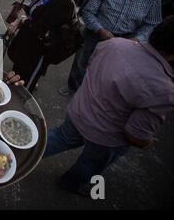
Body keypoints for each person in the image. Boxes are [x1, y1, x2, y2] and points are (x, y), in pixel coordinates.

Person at [44, 16, 174, 196]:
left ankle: (24, 155)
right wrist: (146, 142)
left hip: (79, 112)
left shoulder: (115, 45)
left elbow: (92, 69)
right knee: (90, 163)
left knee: (59, 138)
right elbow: (134, 134)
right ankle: (71, 184)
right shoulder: (163, 89)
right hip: (104, 138)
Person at [60, 0, 163, 95]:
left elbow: (151, 24)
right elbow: (88, 12)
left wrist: (136, 39)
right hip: (95, 34)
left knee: (112, 70)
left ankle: (96, 94)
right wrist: (100, 30)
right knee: (82, 62)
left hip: (126, 41)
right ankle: (74, 87)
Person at [7, 0, 85, 93]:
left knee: (23, 86)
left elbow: (39, 29)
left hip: (36, 54)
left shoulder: (64, 4)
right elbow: (36, 12)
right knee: (15, 75)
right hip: (27, 48)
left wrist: (23, 19)